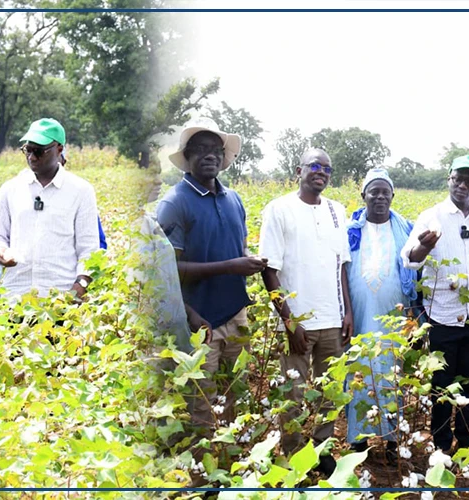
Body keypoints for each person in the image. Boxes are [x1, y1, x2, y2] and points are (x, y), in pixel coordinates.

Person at [156, 120, 262, 431]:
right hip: (198, 321)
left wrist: (247, 264)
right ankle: (204, 461)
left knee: (234, 395)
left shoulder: (234, 200)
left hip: (236, 316)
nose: (210, 155)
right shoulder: (174, 203)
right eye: (200, 149)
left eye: (216, 149)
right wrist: (230, 267)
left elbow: (237, 249)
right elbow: (165, 272)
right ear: (186, 156)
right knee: (202, 407)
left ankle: (230, 457)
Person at [259, 147, 353, 474]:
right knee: (294, 395)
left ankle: (323, 448)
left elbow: (342, 266)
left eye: (327, 169)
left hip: (332, 319)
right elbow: (269, 270)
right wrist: (289, 322)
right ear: (299, 170)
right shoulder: (279, 209)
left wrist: (347, 312)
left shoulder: (337, 210)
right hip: (296, 323)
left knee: (330, 392)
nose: (321, 173)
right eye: (314, 166)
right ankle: (295, 457)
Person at [400, 154, 469, 456]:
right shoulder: (432, 217)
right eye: (458, 178)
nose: (463, 185)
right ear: (449, 180)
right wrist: (424, 246)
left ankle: (465, 445)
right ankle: (441, 446)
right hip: (442, 316)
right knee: (441, 386)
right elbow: (409, 260)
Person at [342, 168, 418, 455]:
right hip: (359, 316)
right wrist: (346, 311)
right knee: (359, 371)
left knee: (391, 371)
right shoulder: (350, 230)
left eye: (386, 192)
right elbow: (342, 269)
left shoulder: (406, 230)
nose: (380, 197)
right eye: (374, 191)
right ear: (364, 195)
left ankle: (392, 440)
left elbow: (416, 269)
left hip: (394, 317)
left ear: (393, 196)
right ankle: (358, 439)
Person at [0, 118, 100, 300]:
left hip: (60, 299)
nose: (32, 157)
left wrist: (78, 289)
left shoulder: (81, 191)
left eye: (39, 151)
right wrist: (0, 251)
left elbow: (89, 250)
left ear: (59, 149)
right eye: (27, 150)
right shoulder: (11, 189)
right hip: (14, 297)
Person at [0, 150, 107, 251]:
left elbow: (95, 244)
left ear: (62, 161)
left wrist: (83, 274)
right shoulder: (12, 190)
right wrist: (1, 255)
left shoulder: (78, 193)